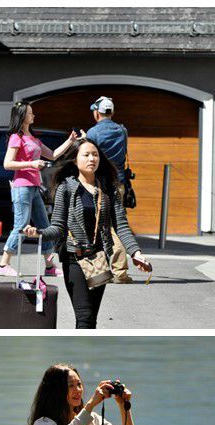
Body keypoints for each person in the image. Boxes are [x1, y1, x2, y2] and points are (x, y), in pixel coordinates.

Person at [23, 139, 151, 328]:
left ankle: (86, 357)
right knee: (83, 317)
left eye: (95, 154)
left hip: (99, 259)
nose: (92, 159)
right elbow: (57, 227)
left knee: (91, 320)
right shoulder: (65, 188)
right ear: (75, 160)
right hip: (74, 258)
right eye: (86, 155)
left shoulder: (109, 189)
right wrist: (39, 232)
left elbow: (121, 226)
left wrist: (136, 253)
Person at [0, 101, 78, 277]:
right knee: (21, 225)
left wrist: (70, 141)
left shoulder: (32, 139)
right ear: (22, 117)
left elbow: (54, 155)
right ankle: (3, 264)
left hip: (33, 187)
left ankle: (49, 267)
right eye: (30, 113)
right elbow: (7, 164)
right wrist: (32, 163)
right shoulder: (16, 137)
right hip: (22, 187)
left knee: (44, 225)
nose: (33, 115)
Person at [86, 96, 133, 284]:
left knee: (99, 226)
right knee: (117, 224)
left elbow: (88, 155)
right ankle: (119, 271)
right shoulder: (122, 131)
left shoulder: (93, 132)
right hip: (118, 183)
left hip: (98, 183)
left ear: (97, 112)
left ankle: (104, 272)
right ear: (112, 113)